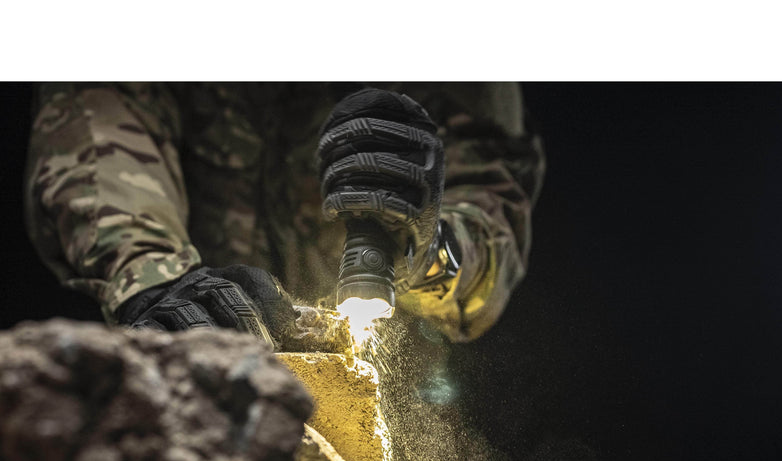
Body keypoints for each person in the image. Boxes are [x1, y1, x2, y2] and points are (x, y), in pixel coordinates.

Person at [24, 83, 544, 350]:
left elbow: (490, 199)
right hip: (192, 353)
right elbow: (96, 117)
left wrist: (432, 251)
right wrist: (152, 276)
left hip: (368, 411)